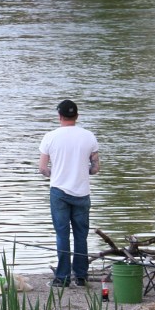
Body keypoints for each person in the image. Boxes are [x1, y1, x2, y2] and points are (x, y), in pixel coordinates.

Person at [39, 99, 100, 287]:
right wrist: (85, 171)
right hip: (82, 192)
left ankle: (62, 277)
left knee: (62, 234)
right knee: (81, 234)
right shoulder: (89, 136)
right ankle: (81, 277)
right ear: (77, 116)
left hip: (59, 191)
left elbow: (42, 168)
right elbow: (96, 167)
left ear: (59, 116)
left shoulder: (50, 137)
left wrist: (53, 175)